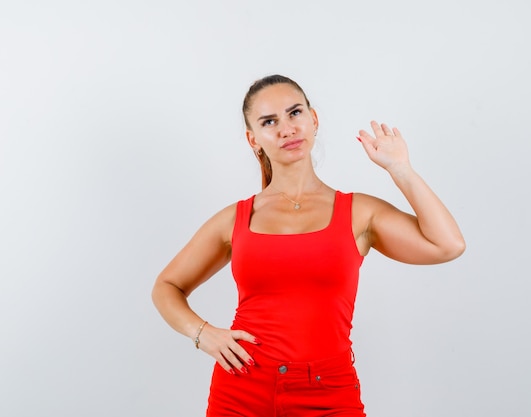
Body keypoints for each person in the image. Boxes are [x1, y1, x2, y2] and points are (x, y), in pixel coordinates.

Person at [152, 74, 465, 416]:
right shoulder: (235, 219)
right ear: (252, 139)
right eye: (269, 121)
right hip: (242, 389)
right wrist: (203, 334)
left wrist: (400, 169)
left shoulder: (359, 213)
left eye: (295, 113)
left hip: (329, 393)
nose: (286, 129)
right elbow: (167, 286)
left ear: (313, 120)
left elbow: (447, 245)